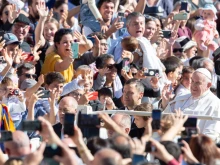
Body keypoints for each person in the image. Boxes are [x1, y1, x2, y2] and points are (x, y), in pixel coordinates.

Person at [162, 68, 220, 142]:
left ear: (208, 85)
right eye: (192, 81)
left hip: (196, 146)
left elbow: (211, 134)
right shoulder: (182, 97)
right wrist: (165, 102)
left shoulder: (216, 103)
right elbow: (166, 119)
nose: (193, 85)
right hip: (174, 143)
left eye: (198, 83)